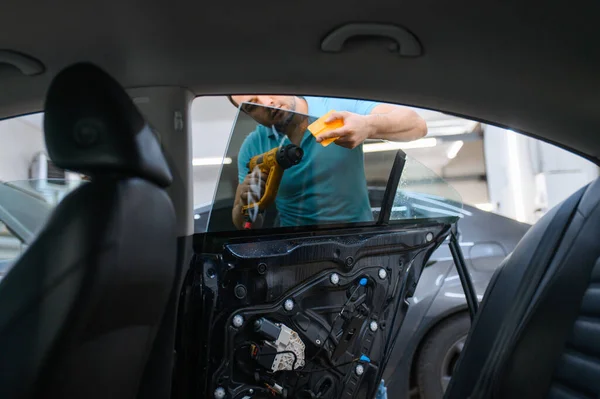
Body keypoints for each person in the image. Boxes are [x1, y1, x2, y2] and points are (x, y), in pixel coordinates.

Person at [229, 95, 427, 230]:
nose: (268, 103)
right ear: (248, 115)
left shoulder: (336, 107)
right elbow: (248, 225)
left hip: (356, 241)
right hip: (291, 251)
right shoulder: (253, 147)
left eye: (266, 89)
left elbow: (417, 125)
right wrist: (242, 206)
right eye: (253, 105)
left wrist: (368, 125)